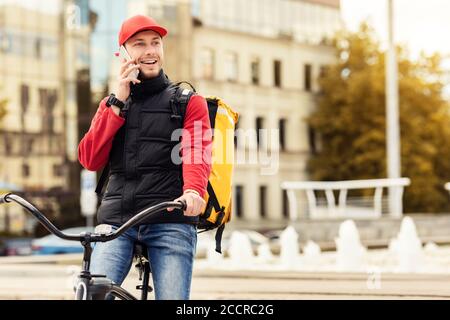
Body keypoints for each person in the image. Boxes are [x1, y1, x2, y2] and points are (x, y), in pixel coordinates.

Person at [78, 15, 212, 300]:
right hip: (117, 221)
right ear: (123, 54)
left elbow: (197, 152)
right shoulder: (112, 104)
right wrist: (117, 101)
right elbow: (89, 158)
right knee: (93, 294)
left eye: (156, 43)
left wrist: (192, 192)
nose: (150, 50)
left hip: (169, 219)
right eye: (139, 44)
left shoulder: (188, 101)